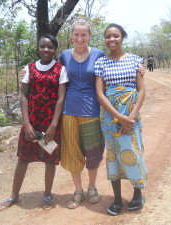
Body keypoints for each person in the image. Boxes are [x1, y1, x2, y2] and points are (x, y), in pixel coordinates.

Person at [0, 34, 68, 211]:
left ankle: (47, 194)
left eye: (50, 47)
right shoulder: (29, 68)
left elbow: (61, 99)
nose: (46, 50)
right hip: (32, 121)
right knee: (23, 158)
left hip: (51, 123)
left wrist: (53, 125)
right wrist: (27, 124)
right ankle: (13, 195)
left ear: (55, 49)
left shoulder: (61, 69)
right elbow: (23, 96)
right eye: (43, 46)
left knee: (50, 159)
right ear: (38, 48)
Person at [94, 23, 148, 216]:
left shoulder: (135, 60)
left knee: (133, 152)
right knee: (114, 156)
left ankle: (137, 194)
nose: (112, 39)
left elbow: (141, 91)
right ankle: (117, 199)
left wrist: (130, 117)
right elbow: (100, 94)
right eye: (108, 36)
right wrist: (118, 117)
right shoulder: (100, 62)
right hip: (109, 116)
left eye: (115, 36)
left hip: (132, 113)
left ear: (122, 37)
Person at [58, 18, 106, 209]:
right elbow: (54, 76)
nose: (80, 38)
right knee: (72, 152)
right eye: (76, 34)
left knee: (93, 152)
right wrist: (27, 72)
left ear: (89, 36)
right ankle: (78, 190)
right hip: (69, 111)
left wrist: (138, 70)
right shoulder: (64, 56)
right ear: (71, 37)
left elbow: (110, 73)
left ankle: (92, 187)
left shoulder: (99, 54)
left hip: (92, 111)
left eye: (83, 34)